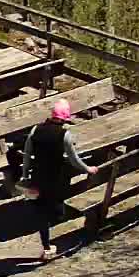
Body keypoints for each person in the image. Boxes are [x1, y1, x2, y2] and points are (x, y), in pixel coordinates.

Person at [19, 99, 97, 261]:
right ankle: (62, 235)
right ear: (65, 118)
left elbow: (27, 154)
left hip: (38, 176)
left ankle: (46, 246)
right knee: (56, 210)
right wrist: (88, 169)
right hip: (56, 178)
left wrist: (25, 174)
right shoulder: (65, 135)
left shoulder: (35, 130)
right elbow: (74, 159)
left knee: (42, 213)